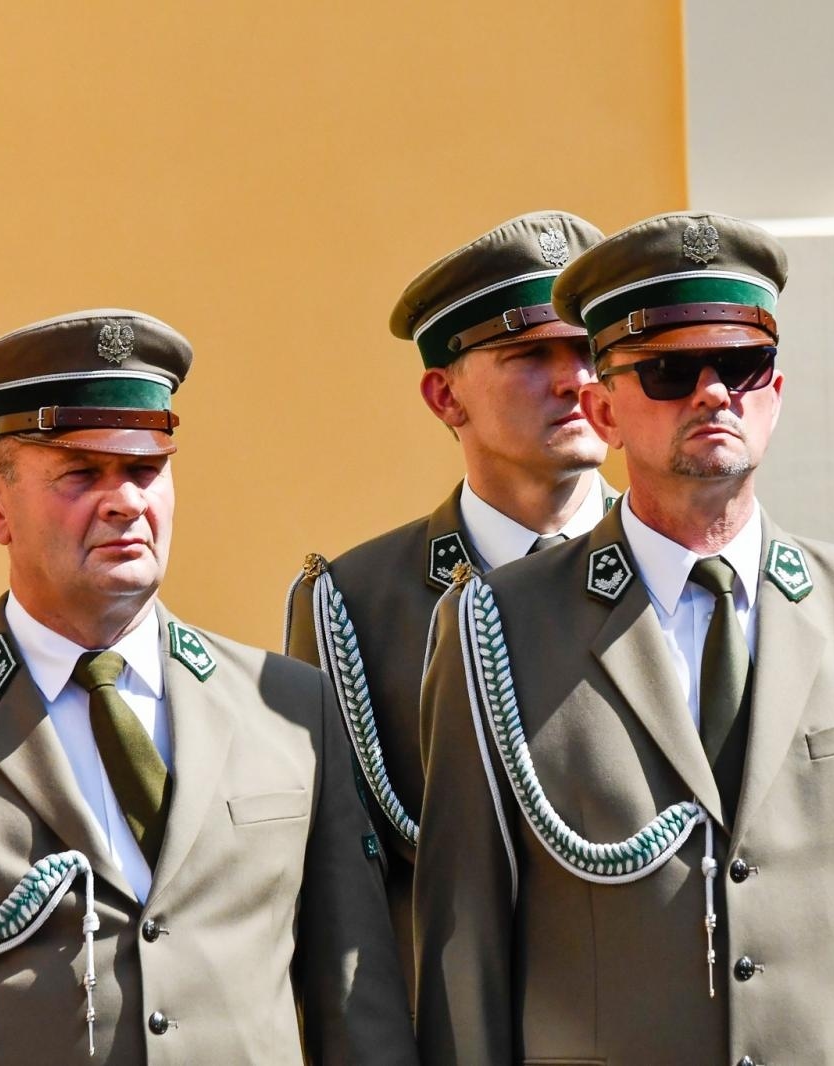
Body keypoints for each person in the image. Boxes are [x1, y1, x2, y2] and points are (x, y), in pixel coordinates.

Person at [413, 211, 834, 1065]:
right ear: (601, 409)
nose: (713, 393)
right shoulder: (496, 627)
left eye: (741, 365)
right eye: (669, 373)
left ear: (777, 393)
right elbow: (464, 948)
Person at [0, 310, 415, 1063]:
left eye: (145, 469)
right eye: (81, 473)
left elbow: (359, 1010)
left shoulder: (288, 707)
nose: (126, 501)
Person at [284, 212, 616, 1000]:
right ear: (444, 396)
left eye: (589, 351)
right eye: (532, 355)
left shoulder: (681, 573)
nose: (576, 380)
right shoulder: (356, 605)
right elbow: (342, 903)